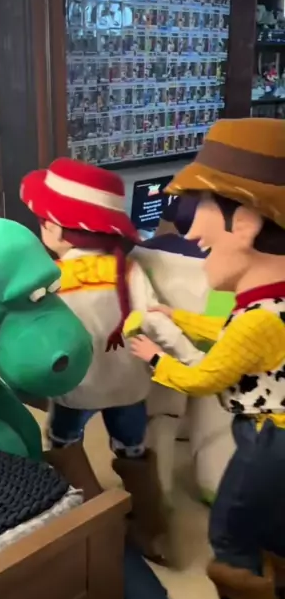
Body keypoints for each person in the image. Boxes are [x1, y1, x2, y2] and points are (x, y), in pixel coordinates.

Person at [130, 118, 285, 599]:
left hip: (267, 438)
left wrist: (155, 357)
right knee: (274, 527)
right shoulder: (270, 306)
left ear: (246, 221)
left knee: (231, 532)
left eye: (204, 210)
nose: (193, 231)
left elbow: (207, 377)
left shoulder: (259, 319)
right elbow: (231, 334)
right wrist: (182, 318)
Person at [21, 158, 200, 562]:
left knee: (63, 442)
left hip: (76, 388)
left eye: (44, 222)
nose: (42, 228)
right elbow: (156, 321)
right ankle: (153, 531)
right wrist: (191, 358)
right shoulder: (128, 269)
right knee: (133, 450)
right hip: (128, 386)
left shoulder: (51, 277)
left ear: (61, 228)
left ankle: (93, 517)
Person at [133, 194, 235, 506]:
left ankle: (160, 492)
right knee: (216, 423)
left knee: (160, 419)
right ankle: (214, 483)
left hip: (161, 348)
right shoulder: (232, 259)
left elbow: (141, 306)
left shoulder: (141, 255)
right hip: (214, 349)